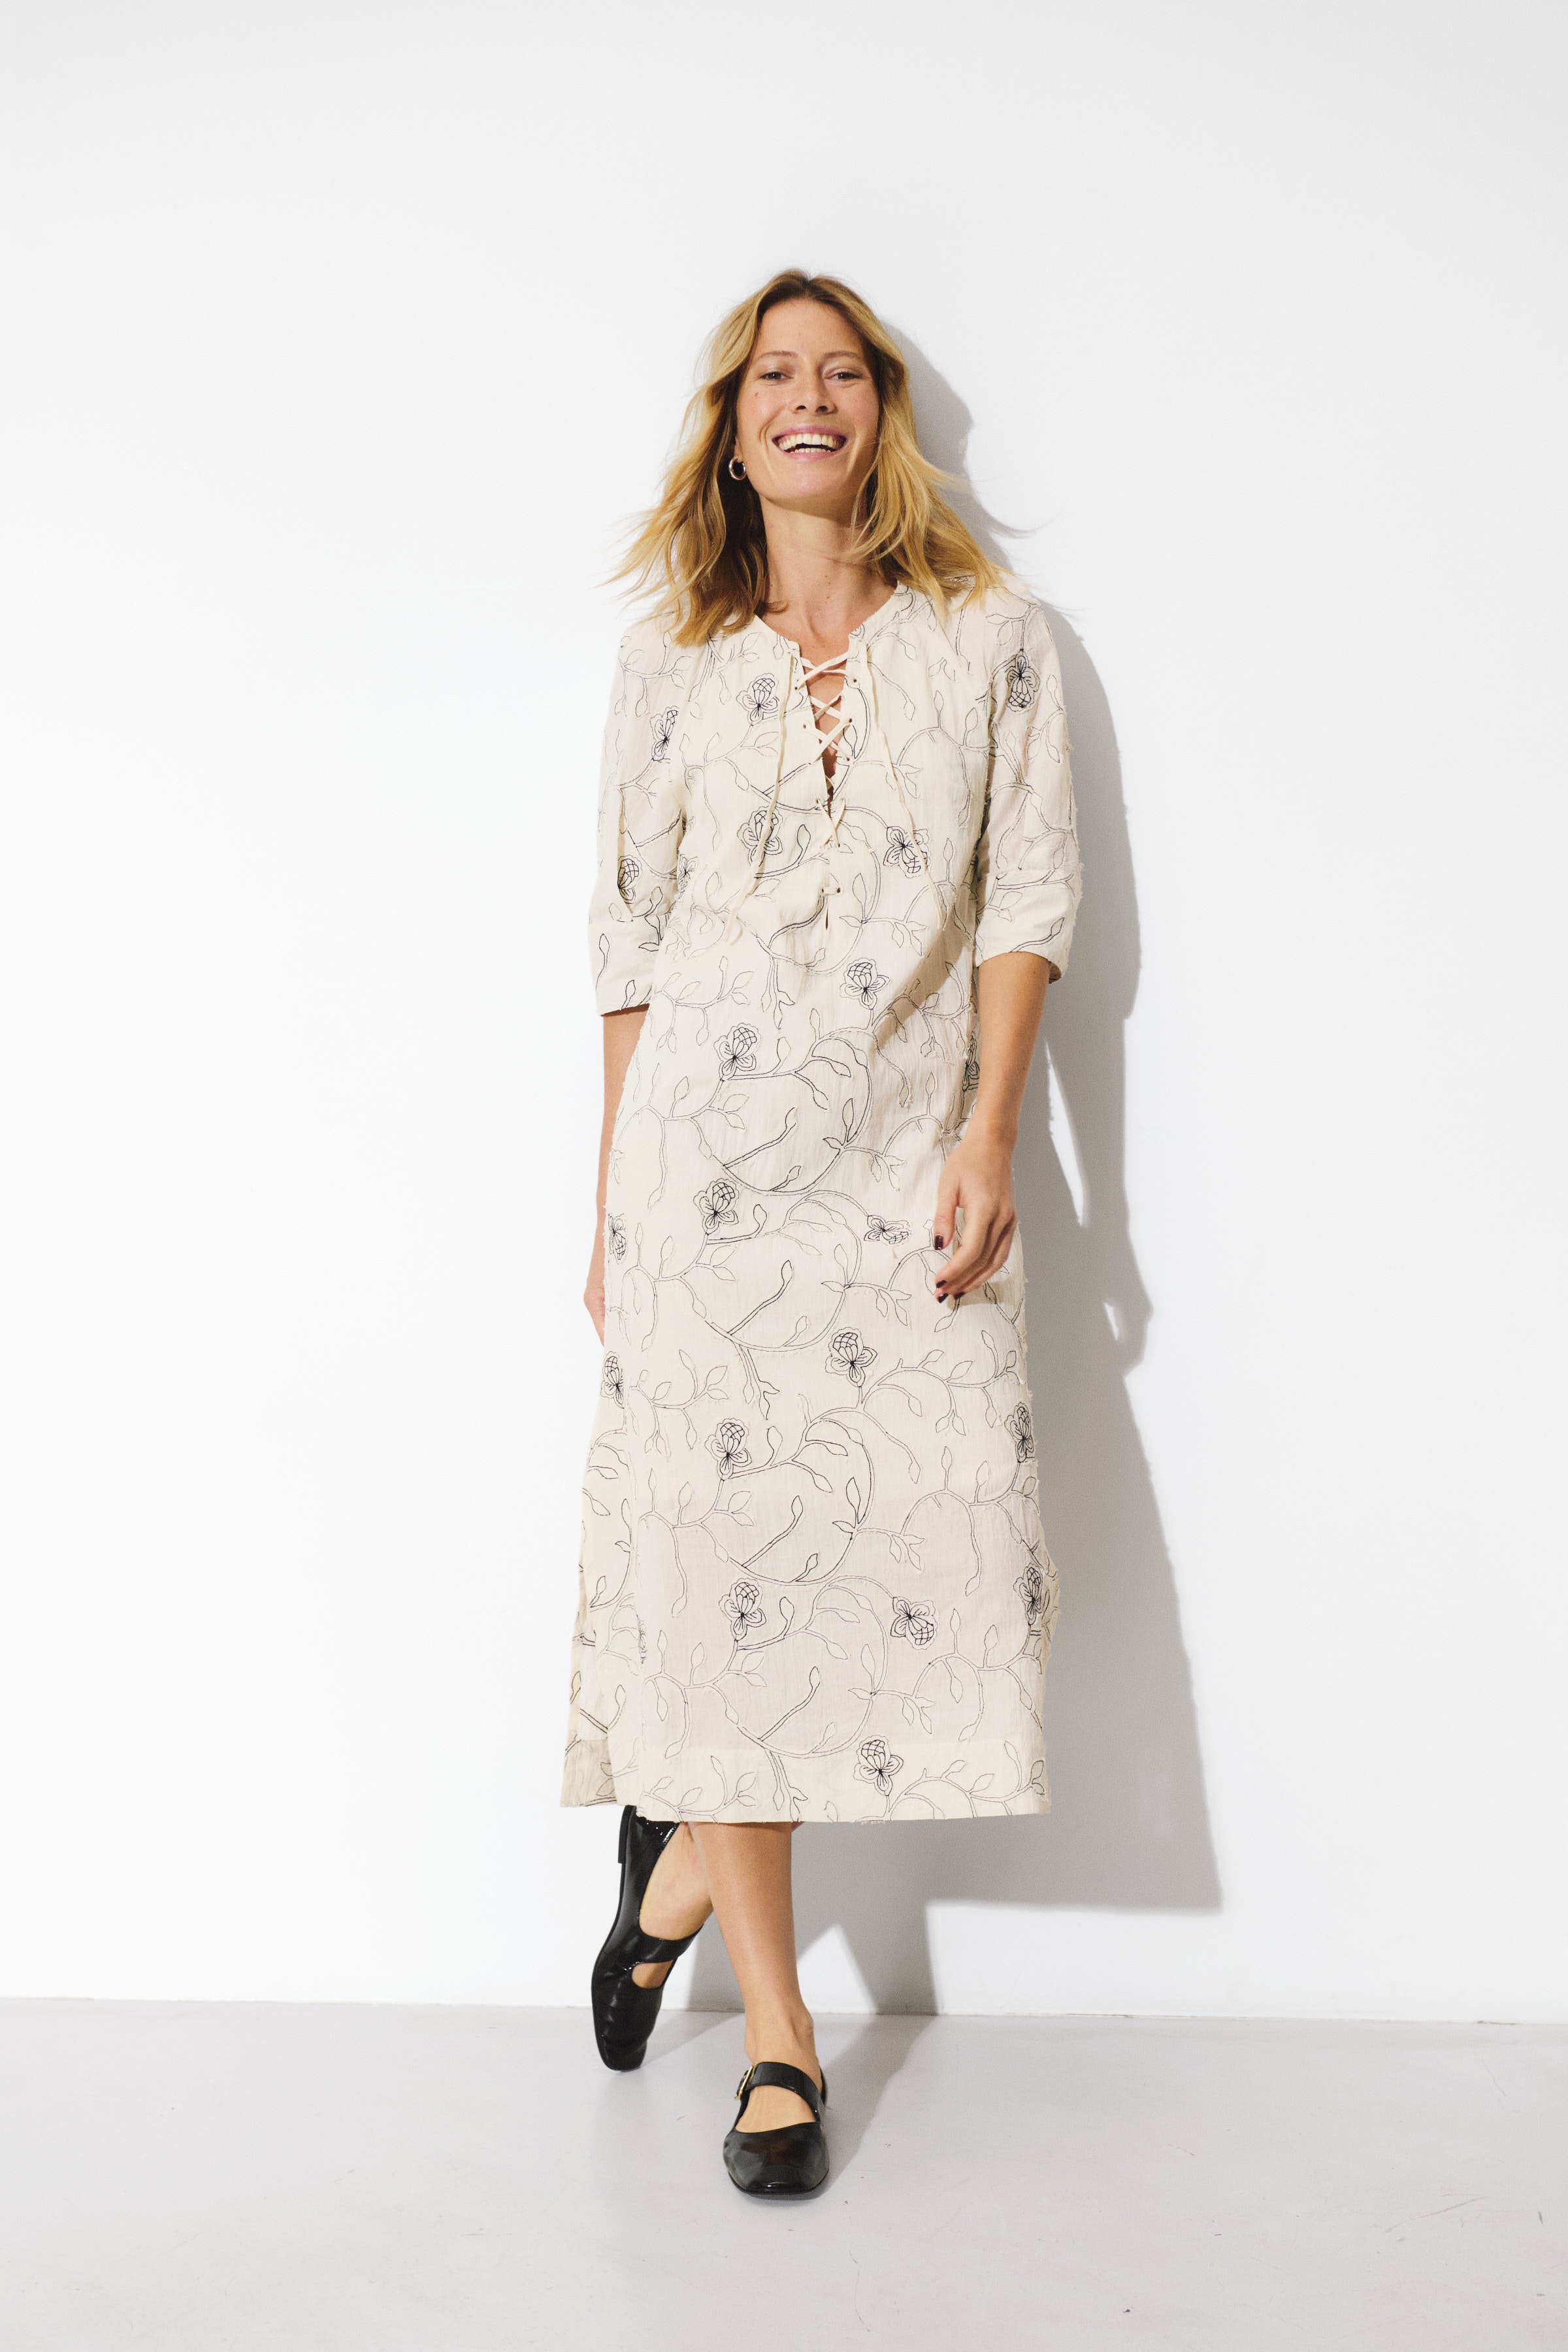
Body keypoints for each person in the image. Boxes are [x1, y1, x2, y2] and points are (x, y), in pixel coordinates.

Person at [561, 269, 1083, 2197]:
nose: (808, 398)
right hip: (698, 1187)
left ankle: (672, 1877)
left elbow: (1026, 896)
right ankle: (780, 2041)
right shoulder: (672, 663)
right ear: (733, 422)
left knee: (914, 1545)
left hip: (900, 1168)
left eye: (840, 372)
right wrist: (611, 1201)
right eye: (773, 374)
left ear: (881, 411)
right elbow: (627, 945)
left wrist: (991, 1131)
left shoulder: (993, 637)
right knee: (724, 1592)